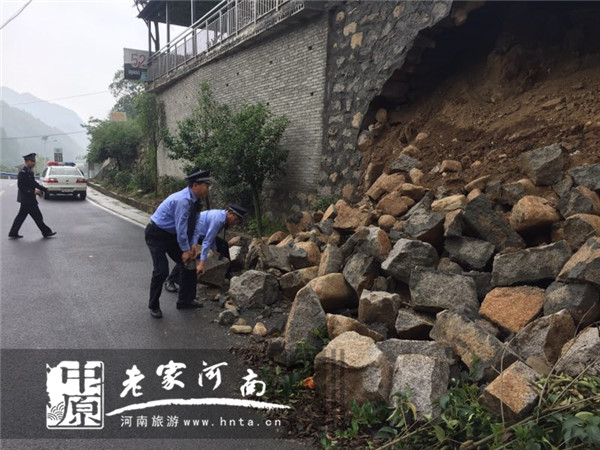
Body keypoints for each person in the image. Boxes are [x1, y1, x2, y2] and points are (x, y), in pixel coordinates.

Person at [144, 170, 211, 318]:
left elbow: (196, 224)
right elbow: (181, 227)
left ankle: (185, 300)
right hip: (156, 234)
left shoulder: (197, 200)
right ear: (195, 185)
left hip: (171, 235)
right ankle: (153, 305)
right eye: (206, 186)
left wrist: (193, 245)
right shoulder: (183, 200)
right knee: (161, 271)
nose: (208, 189)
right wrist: (185, 249)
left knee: (190, 264)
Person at [8, 153, 56, 239]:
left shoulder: (29, 171)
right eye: (32, 161)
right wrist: (33, 192)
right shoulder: (23, 172)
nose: (34, 163)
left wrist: (44, 189)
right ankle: (46, 232)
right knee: (37, 216)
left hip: (28, 199)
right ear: (27, 162)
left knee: (21, 216)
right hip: (26, 199)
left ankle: (13, 232)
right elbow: (21, 186)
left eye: (34, 161)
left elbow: (33, 183)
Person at [196, 205, 248, 275]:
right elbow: (207, 241)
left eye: (237, 221)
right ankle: (226, 272)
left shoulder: (222, 216)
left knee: (224, 245)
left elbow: (212, 237)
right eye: (235, 219)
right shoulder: (218, 220)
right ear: (230, 213)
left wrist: (215, 250)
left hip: (201, 234)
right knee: (221, 245)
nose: (235, 223)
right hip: (192, 236)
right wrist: (202, 263)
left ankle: (227, 271)